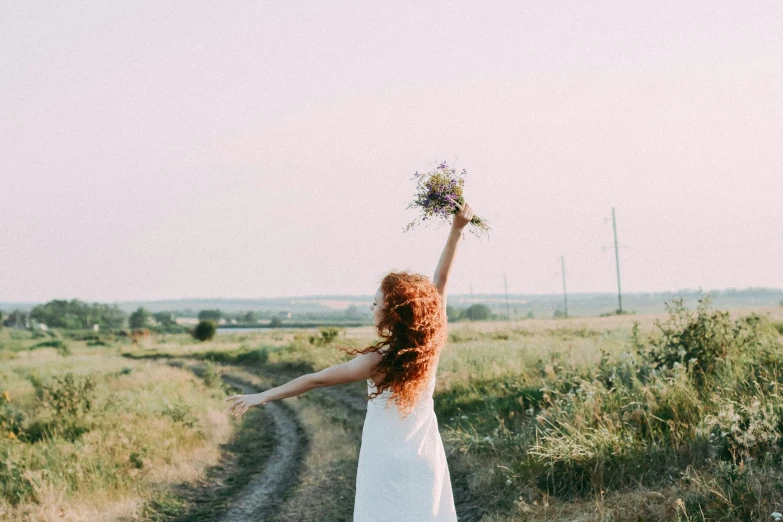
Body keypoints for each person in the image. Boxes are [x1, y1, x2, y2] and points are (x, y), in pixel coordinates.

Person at [225, 201, 476, 521]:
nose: (371, 308)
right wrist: (456, 229)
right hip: (423, 461)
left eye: (376, 303)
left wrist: (264, 395)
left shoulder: (376, 362)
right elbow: (439, 282)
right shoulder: (429, 350)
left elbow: (315, 379)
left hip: (384, 464)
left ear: (393, 315)